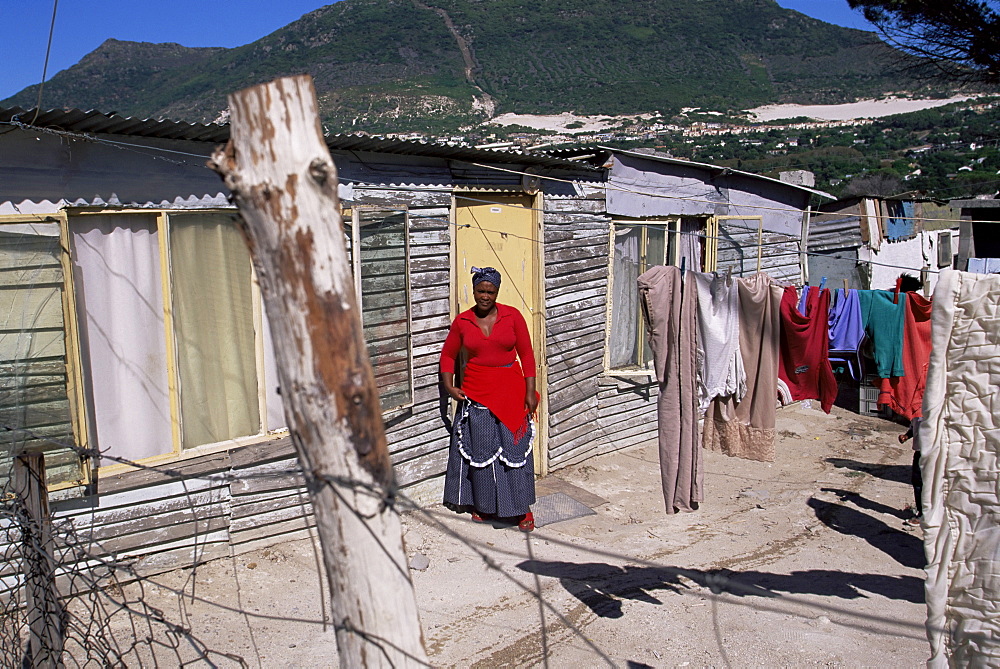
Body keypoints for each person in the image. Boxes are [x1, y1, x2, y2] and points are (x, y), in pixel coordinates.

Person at [439, 266, 539, 531]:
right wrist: (449, 387)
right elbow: (448, 355)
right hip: (476, 394)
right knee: (481, 453)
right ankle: (483, 507)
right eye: (481, 291)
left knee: (514, 451)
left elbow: (527, 355)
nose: (485, 296)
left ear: (497, 292)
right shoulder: (463, 322)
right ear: (474, 291)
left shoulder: (513, 316)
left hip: (511, 393)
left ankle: (521, 510)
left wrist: (530, 391)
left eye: (490, 291)